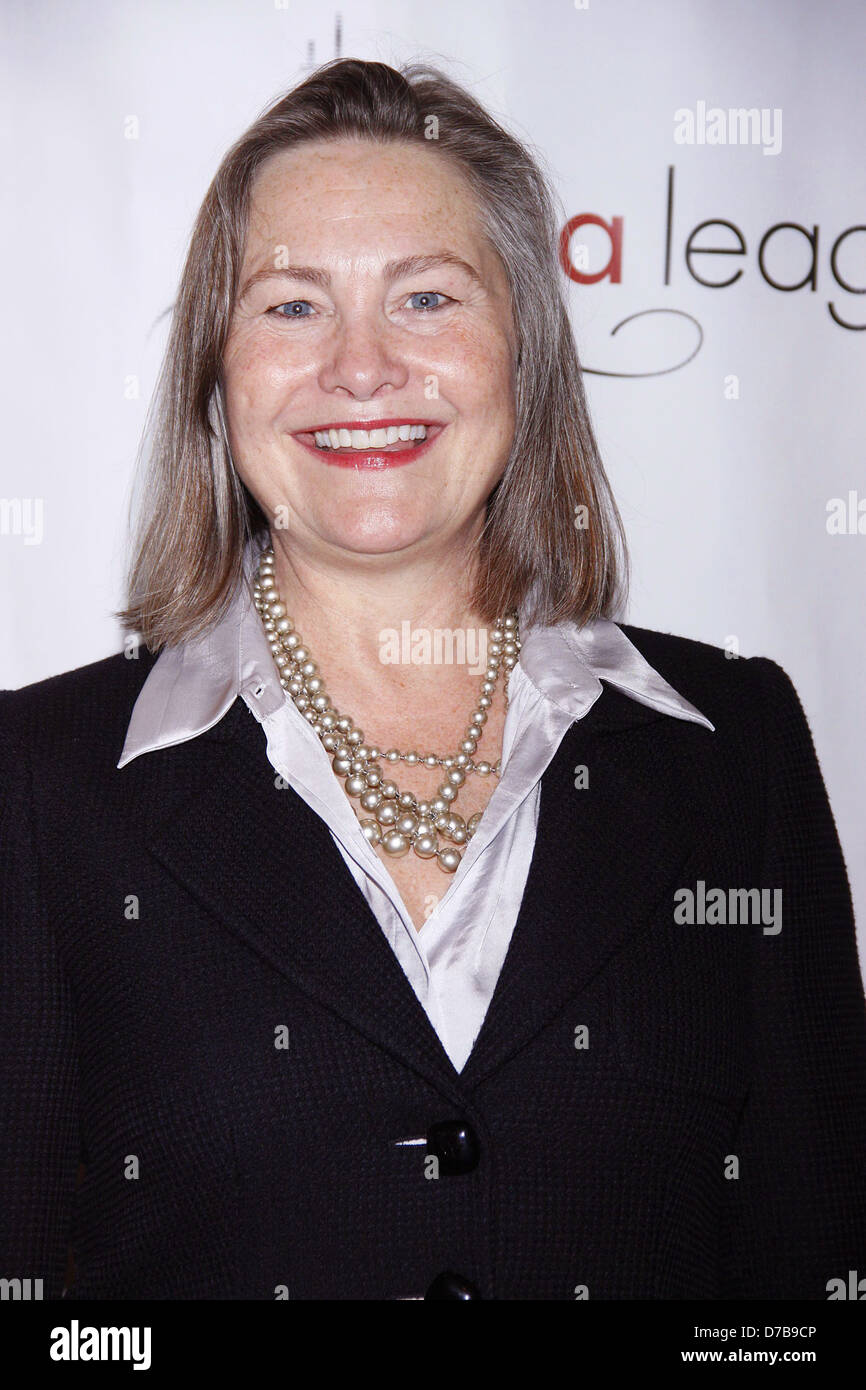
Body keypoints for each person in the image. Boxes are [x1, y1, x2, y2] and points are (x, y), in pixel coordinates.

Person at [2, 57, 865, 1302]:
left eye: (424, 298)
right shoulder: (40, 785)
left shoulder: (736, 750)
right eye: (292, 306)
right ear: (216, 369)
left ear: (522, 349)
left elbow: (811, 1279)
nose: (359, 367)